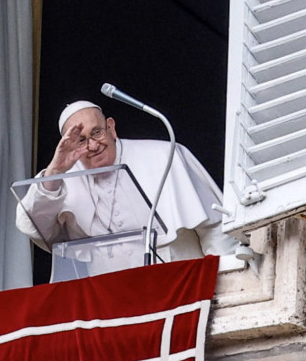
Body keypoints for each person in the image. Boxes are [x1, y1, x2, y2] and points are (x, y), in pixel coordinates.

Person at [15, 100, 245, 274]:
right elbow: (34, 226)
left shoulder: (165, 156)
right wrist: (55, 171)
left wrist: (225, 280)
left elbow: (214, 228)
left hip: (180, 287)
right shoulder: (58, 180)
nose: (93, 145)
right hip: (112, 305)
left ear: (111, 128)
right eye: (81, 140)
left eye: (97, 132)